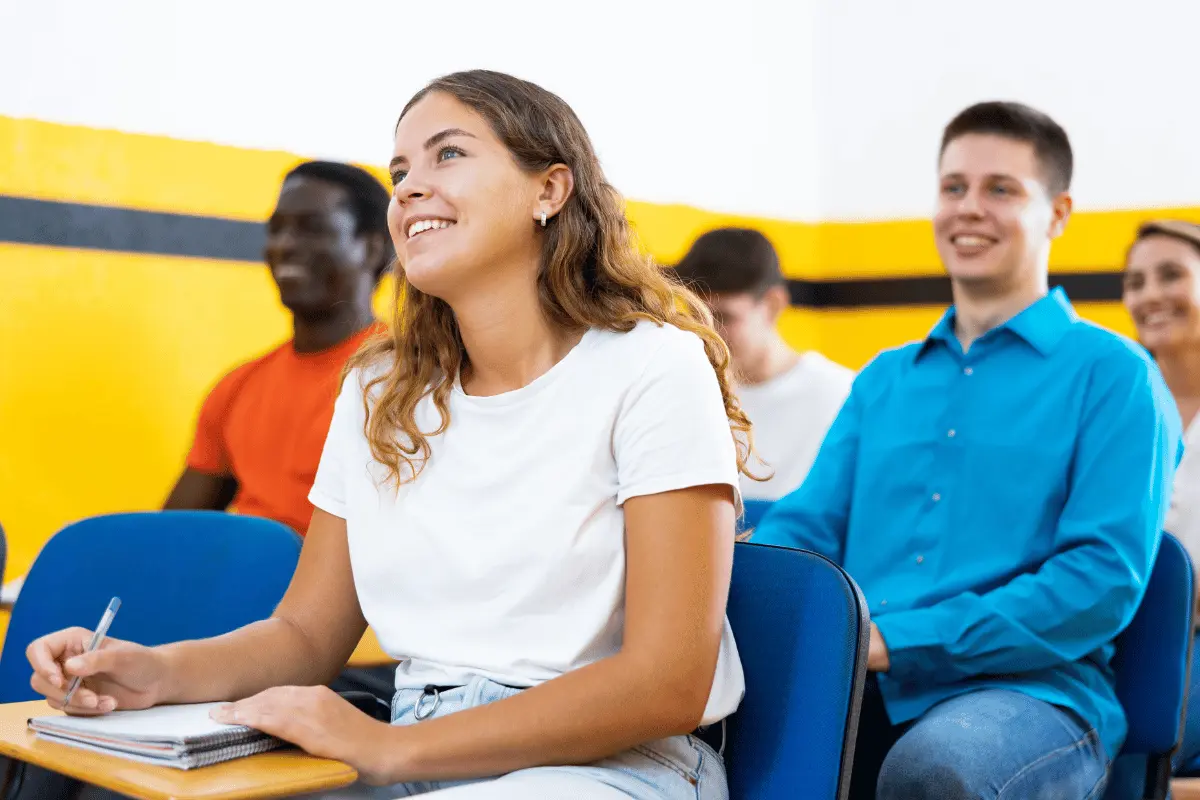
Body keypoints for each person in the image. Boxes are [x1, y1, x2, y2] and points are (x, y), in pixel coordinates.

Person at [27, 69, 750, 800]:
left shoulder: (653, 365)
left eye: (449, 155)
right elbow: (306, 636)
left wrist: (393, 749)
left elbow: (668, 682)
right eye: (400, 170)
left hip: (605, 766)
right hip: (406, 748)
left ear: (550, 190)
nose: (407, 189)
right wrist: (158, 671)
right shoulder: (379, 391)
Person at [753, 101, 1181, 800]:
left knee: (938, 768)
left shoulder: (1116, 374)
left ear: (1060, 213)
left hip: (1032, 695)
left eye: (1001, 189)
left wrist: (895, 640)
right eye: (953, 188)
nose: (968, 209)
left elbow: (1098, 581)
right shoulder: (884, 377)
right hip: (860, 677)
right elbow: (806, 529)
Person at [164, 160, 392, 536]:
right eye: (277, 229)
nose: (285, 246)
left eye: (312, 229)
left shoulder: (408, 377)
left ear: (370, 247)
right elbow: (167, 539)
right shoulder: (238, 387)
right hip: (248, 591)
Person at [674, 227, 853, 500]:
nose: (705, 333)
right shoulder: (682, 395)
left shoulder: (842, 396)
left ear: (772, 304)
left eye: (723, 317)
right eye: (695, 316)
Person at [1121, 219, 1200, 779]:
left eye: (1170, 276)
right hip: (1120, 640)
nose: (1150, 295)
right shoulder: (1122, 403)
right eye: (1136, 281)